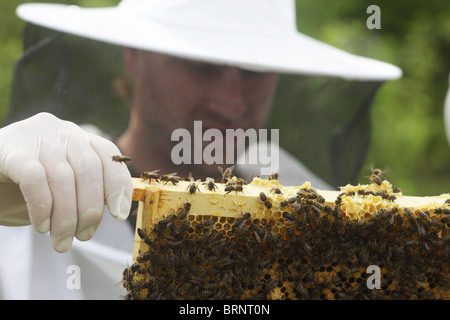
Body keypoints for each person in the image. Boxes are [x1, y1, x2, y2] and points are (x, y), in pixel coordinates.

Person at [0, 0, 402, 299]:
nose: (230, 102)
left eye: (254, 71)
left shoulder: (305, 201)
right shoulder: (34, 189)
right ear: (134, 56)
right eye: (199, 66)